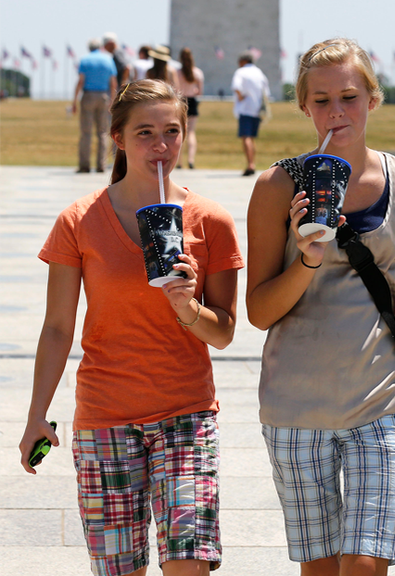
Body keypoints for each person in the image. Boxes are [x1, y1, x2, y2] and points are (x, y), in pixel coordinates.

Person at [19, 79, 244, 576]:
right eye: (145, 133)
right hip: (105, 419)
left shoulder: (212, 221)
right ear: (118, 137)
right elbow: (58, 327)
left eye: (171, 131)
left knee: (189, 565)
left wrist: (186, 306)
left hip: (186, 415)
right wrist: (37, 413)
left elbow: (224, 332)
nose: (160, 146)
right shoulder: (78, 220)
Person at [246, 38, 395, 575]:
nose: (337, 112)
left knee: (363, 566)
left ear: (374, 100)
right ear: (304, 107)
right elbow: (260, 311)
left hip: (380, 402)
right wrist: (306, 259)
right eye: (322, 100)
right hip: (295, 407)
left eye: (350, 97)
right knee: (321, 569)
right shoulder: (274, 186)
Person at [72, 38, 117, 173]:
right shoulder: (108, 60)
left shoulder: (85, 60)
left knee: (86, 133)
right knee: (103, 133)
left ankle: (84, 165)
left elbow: (81, 81)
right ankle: (101, 165)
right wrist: (112, 100)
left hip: (88, 95)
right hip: (104, 96)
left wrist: (74, 100)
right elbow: (113, 82)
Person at [231, 51, 269, 176]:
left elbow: (236, 86)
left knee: (246, 137)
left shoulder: (241, 72)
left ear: (243, 61)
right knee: (252, 138)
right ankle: (253, 162)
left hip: (245, 108)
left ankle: (250, 164)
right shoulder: (259, 73)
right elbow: (266, 93)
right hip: (257, 109)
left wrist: (241, 97)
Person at [176, 47, 204, 169]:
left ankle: (179, 162)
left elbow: (175, 89)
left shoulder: (177, 72)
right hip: (192, 101)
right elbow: (200, 92)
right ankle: (191, 160)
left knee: (180, 132)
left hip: (180, 101)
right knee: (191, 132)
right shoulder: (197, 72)